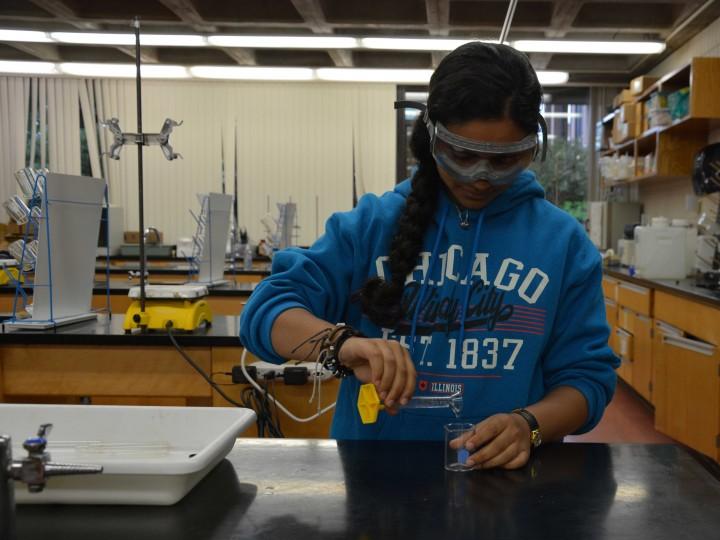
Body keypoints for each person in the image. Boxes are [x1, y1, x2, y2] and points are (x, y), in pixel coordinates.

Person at [240, 41, 620, 469]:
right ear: (432, 137)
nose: (481, 177)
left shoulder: (563, 243)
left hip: (505, 486)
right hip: (374, 480)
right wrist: (342, 345)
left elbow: (587, 380)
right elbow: (265, 313)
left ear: (533, 147)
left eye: (505, 160)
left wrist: (528, 425)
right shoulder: (372, 225)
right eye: (462, 155)